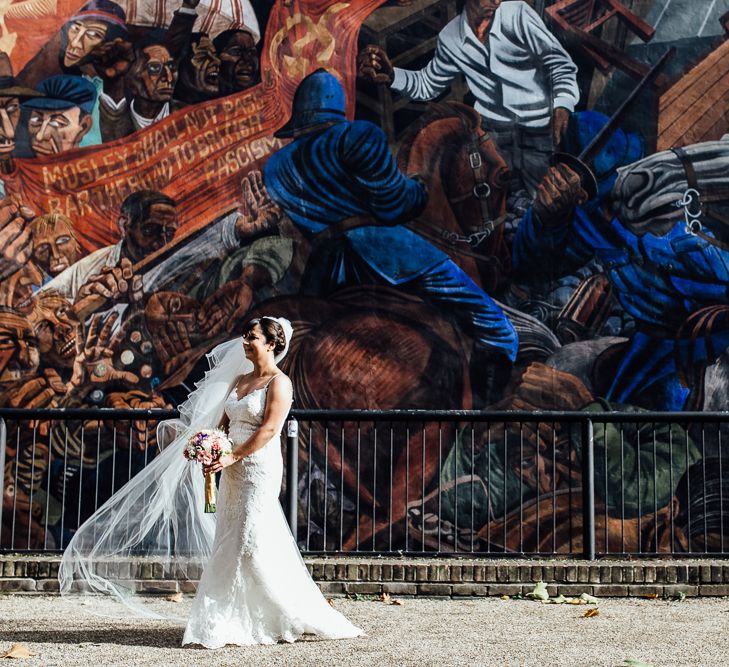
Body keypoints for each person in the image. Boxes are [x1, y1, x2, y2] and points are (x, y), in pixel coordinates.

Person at [59, 316, 365, 646]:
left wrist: (234, 454)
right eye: (245, 336)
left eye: (253, 337)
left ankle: (280, 613)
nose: (245, 342)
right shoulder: (240, 381)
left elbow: (268, 429)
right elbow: (220, 426)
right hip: (230, 467)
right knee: (232, 537)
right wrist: (206, 448)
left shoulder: (280, 383)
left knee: (247, 542)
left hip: (258, 467)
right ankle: (237, 616)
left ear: (272, 345)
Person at [264, 69, 517, 408]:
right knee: (496, 327)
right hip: (387, 254)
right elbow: (392, 204)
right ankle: (487, 414)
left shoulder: (276, 166)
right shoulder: (358, 136)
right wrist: (419, 190)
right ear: (337, 108)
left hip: (326, 269)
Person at [358, 0, 579, 196]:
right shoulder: (451, 37)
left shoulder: (518, 14)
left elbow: (560, 65)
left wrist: (562, 105)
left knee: (546, 198)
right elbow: (427, 85)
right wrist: (393, 75)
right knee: (484, 201)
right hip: (491, 133)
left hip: (537, 128)